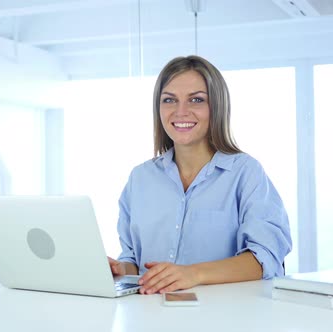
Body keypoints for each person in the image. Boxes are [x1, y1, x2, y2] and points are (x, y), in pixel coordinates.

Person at [108, 55, 292, 295]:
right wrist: (119, 269)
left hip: (223, 318)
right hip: (150, 317)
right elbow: (134, 259)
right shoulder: (140, 178)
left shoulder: (245, 173)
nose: (181, 111)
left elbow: (264, 258)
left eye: (196, 100)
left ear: (217, 106)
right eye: (169, 100)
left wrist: (192, 274)